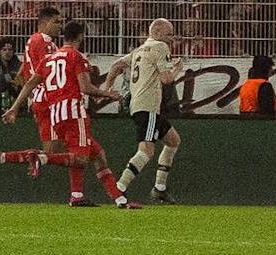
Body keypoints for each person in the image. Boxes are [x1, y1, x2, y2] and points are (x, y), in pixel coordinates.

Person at [33, 22, 130, 210]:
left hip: (56, 115)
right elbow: (85, 88)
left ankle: (111, 199)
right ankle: (42, 158)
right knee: (81, 158)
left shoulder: (49, 59)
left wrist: (14, 107)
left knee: (97, 154)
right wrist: (108, 94)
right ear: (80, 36)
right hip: (73, 113)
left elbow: (30, 83)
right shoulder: (76, 57)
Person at [110, 17, 184, 205]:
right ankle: (118, 188)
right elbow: (166, 79)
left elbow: (116, 65)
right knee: (146, 151)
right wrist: (177, 70)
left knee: (173, 141)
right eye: (168, 35)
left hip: (140, 106)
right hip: (148, 106)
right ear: (157, 33)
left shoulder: (139, 50)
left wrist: (108, 86)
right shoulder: (160, 47)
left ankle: (160, 188)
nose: (171, 39)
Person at [0, 4, 63, 181]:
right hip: (48, 98)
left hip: (40, 97)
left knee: (55, 149)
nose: (60, 26)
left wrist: (28, 94)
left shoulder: (32, 40)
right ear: (45, 22)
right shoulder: (45, 41)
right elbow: (46, 70)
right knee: (53, 151)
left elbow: (24, 69)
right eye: (57, 22)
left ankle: (1, 157)